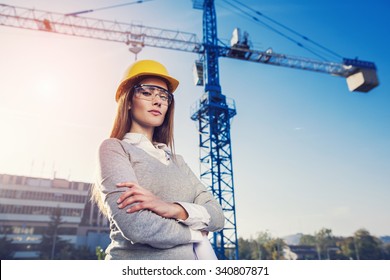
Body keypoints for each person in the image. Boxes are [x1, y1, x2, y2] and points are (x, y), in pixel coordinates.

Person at [92, 59, 225, 260]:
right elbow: (137, 225)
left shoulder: (177, 161)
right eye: (146, 92)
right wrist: (195, 233)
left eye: (164, 96)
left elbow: (217, 217)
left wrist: (172, 208)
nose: (158, 101)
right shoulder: (114, 149)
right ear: (127, 101)